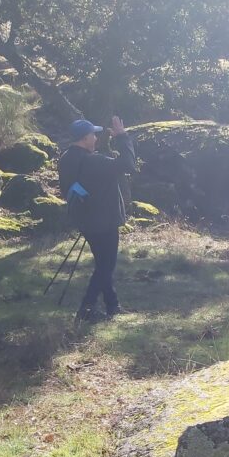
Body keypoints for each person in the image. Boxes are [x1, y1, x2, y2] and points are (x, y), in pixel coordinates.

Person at [58, 116, 137, 323]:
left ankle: (112, 305)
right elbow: (128, 164)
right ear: (84, 138)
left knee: (103, 263)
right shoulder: (95, 161)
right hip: (105, 222)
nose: (95, 138)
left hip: (85, 221)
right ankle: (86, 308)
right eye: (93, 134)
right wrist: (122, 137)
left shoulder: (65, 159)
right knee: (106, 266)